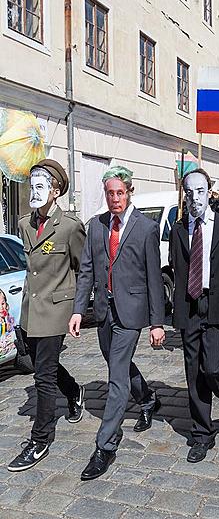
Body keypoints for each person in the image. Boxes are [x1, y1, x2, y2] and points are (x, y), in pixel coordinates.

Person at [69, 166, 165, 480]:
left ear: (129, 191)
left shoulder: (146, 227)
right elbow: (86, 272)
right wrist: (78, 310)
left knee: (116, 378)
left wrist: (157, 323)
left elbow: (153, 277)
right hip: (103, 311)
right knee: (116, 363)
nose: (115, 199)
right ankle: (148, 398)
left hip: (132, 312)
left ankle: (106, 444)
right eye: (110, 193)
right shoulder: (96, 227)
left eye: (120, 193)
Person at [8, 160, 86, 472]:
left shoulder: (69, 226)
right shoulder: (24, 224)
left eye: (42, 186)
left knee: (42, 376)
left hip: (56, 309)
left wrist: (78, 309)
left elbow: (83, 268)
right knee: (44, 365)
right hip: (30, 310)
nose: (35, 192)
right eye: (32, 185)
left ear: (55, 191)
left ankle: (40, 439)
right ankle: (75, 391)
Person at [169, 169, 219, 463]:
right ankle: (202, 433)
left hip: (215, 303)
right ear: (184, 194)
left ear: (209, 192)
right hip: (189, 304)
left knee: (213, 367)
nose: (194, 197)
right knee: (194, 373)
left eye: (200, 191)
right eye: (189, 192)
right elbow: (177, 266)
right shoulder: (178, 229)